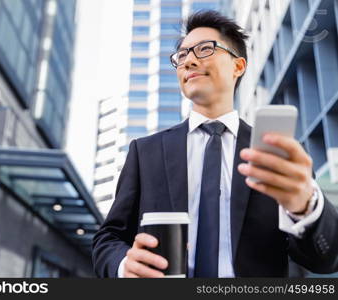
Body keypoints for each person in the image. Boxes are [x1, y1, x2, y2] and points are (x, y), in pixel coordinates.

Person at [92, 10, 338, 278]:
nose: (189, 61)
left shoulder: (276, 153)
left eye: (205, 49)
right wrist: (124, 265)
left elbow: (324, 261)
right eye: (182, 55)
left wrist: (305, 208)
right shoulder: (145, 152)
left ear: (238, 66)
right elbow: (109, 237)